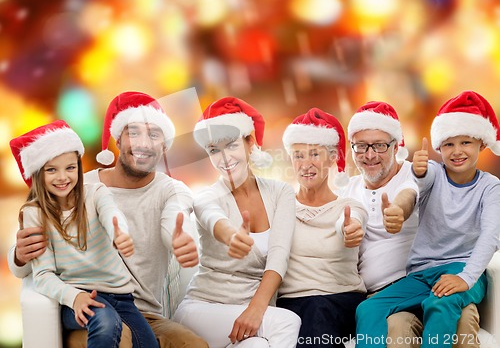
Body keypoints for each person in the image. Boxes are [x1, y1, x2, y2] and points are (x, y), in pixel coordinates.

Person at [8, 92, 208, 348]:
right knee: (118, 337)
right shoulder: (77, 185)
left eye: (154, 135)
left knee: (193, 345)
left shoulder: (171, 191)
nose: (144, 143)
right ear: (117, 138)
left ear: (165, 145)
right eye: (133, 133)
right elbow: (24, 267)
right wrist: (20, 255)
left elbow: (174, 216)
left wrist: (178, 239)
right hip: (88, 309)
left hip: (143, 315)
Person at [355, 91, 500, 348]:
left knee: (440, 303)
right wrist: (409, 192)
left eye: (465, 142)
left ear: (482, 144)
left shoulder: (491, 188)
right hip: (422, 274)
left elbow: (491, 236)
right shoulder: (432, 171)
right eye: (448, 144)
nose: (456, 151)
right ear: (439, 148)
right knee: (369, 309)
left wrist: (466, 278)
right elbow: (414, 188)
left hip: (464, 270)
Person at [9, 120, 158, 348]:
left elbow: (111, 213)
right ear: (38, 174)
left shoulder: (96, 193)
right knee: (106, 322)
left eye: (70, 168)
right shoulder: (35, 213)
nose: (62, 177)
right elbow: (43, 275)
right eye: (51, 170)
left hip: (122, 297)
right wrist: (74, 297)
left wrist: (119, 232)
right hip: (77, 295)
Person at [173, 96, 301, 347]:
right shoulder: (207, 198)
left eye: (231, 145)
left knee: (258, 345)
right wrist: (231, 236)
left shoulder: (281, 193)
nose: (223, 158)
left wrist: (255, 308)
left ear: (249, 142)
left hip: (247, 313)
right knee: (287, 322)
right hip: (202, 310)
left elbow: (279, 256)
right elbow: (213, 218)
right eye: (213, 150)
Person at [276, 108, 368, 347]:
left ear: (331, 158)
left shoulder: (349, 206)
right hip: (292, 302)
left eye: (314, 154)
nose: (306, 164)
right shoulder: (280, 208)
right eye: (298, 155)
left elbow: (351, 222)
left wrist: (349, 229)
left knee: (317, 313)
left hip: (341, 300)